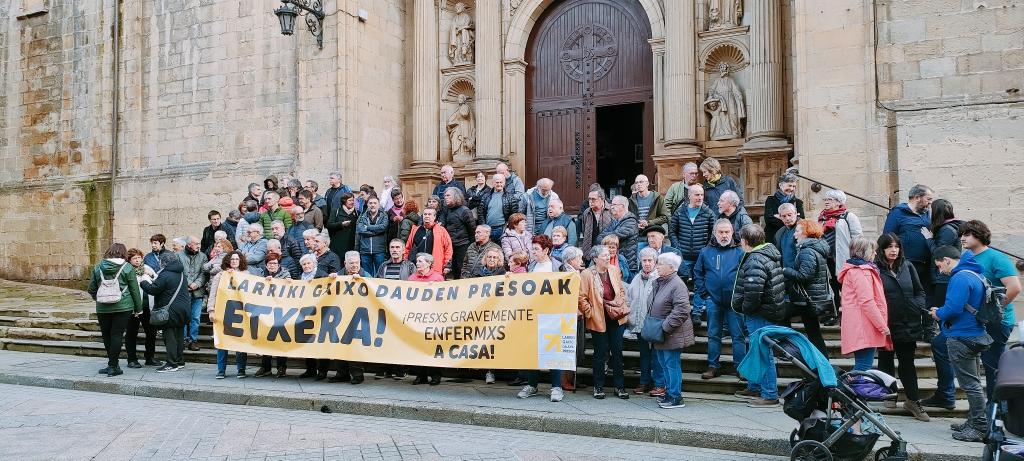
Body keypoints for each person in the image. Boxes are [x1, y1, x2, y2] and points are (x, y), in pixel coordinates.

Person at [929, 246, 991, 442]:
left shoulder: (959, 277)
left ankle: (979, 427)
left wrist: (937, 313)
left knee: (970, 384)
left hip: (962, 337)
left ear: (947, 259)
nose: (940, 271)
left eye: (939, 266)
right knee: (974, 382)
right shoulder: (974, 274)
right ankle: (974, 421)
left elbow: (954, 308)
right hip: (976, 334)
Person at [958, 220, 1020, 400]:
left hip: (997, 322)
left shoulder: (996, 258)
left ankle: (995, 415)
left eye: (967, 234)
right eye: (962, 234)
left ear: (979, 235)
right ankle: (982, 416)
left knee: (993, 369)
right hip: (978, 321)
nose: (962, 238)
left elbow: (1014, 287)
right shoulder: (967, 257)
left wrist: (994, 310)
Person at [874, 233, 930, 421]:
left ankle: (913, 400)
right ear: (881, 249)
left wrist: (916, 305)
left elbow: (919, 290)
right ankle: (890, 394)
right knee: (885, 360)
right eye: (889, 246)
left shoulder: (907, 266)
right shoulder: (875, 270)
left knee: (907, 362)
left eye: (896, 246)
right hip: (887, 323)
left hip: (909, 321)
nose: (893, 250)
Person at [732, 224, 786, 407]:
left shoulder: (756, 259)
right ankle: (755, 386)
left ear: (746, 241)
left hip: (760, 313)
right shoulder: (767, 253)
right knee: (757, 350)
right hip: (766, 311)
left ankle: (770, 394)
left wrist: (745, 308)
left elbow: (754, 292)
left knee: (763, 352)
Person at [694, 219, 745, 380]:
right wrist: (705, 295)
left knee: (738, 336)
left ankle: (741, 367)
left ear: (732, 233)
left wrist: (741, 295)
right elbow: (697, 273)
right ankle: (713, 366)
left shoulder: (741, 252)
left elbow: (746, 273)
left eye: (727, 232)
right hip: (713, 301)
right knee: (713, 334)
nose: (724, 235)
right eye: (721, 232)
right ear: (714, 234)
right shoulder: (705, 252)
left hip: (734, 302)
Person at [517, 235, 566, 401]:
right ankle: (532, 385)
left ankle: (556, 387)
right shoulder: (531, 267)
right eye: (533, 249)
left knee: (553, 350)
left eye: (536, 249)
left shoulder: (559, 267)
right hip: (533, 315)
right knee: (533, 351)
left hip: (553, 316)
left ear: (546, 250)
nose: (533, 252)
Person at [579, 245, 630, 400]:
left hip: (615, 316)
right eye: (604, 255)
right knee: (600, 353)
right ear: (595, 258)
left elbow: (620, 289)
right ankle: (598, 386)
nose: (608, 257)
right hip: (598, 318)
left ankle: (619, 386)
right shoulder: (587, 274)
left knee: (618, 351)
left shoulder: (614, 269)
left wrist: (620, 301)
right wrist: (591, 313)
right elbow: (581, 297)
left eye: (608, 255)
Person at [87, 243, 144, 377]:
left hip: (103, 308)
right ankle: (113, 366)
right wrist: (138, 309)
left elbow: (91, 289)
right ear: (123, 253)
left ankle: (112, 364)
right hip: (123, 306)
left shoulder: (98, 266)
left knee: (107, 336)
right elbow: (134, 290)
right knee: (117, 335)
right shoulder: (127, 267)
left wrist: (101, 298)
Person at [649, 252, 695, 409]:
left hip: (671, 333)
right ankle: (670, 393)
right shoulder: (661, 282)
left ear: (671, 267)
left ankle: (676, 396)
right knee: (664, 363)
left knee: (671, 364)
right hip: (662, 334)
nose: (657, 266)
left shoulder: (677, 284)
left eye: (660, 263)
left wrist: (665, 326)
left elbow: (682, 309)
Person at [838, 237, 890, 372]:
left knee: (863, 364)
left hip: (861, 324)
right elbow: (867, 301)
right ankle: (847, 392)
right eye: (873, 250)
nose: (876, 254)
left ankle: (850, 391)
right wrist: (882, 326)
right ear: (865, 252)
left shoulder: (856, 270)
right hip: (864, 326)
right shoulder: (861, 271)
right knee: (863, 365)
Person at [781, 219, 831, 356]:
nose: (794, 234)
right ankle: (822, 364)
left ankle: (790, 349)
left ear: (806, 233)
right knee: (814, 333)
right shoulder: (815, 247)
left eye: (797, 231)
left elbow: (804, 276)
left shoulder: (807, 251)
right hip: (811, 297)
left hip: (807, 298)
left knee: (780, 315)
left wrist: (785, 270)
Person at [140, 251, 191, 373]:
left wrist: (143, 282)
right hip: (183, 309)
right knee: (178, 336)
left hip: (170, 310)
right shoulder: (181, 273)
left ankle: (171, 363)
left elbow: (153, 289)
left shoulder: (166, 274)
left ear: (164, 262)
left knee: (170, 337)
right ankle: (179, 360)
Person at [626, 247, 664, 396]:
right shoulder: (636, 278)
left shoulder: (659, 278)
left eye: (650, 260)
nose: (647, 263)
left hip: (654, 324)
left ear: (655, 262)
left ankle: (660, 383)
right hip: (639, 324)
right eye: (644, 260)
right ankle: (644, 382)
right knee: (644, 355)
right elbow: (630, 299)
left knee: (657, 355)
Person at [206, 250, 250, 379]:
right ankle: (221, 370)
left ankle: (241, 369)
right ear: (228, 261)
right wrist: (211, 310)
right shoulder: (220, 275)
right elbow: (213, 294)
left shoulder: (246, 275)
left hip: (240, 312)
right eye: (232, 259)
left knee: (241, 342)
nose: (234, 261)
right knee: (222, 342)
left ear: (240, 261)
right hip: (223, 312)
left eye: (237, 259)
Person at [883, 184, 935, 292]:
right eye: (928, 199)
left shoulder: (927, 214)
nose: (930, 202)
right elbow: (887, 237)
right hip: (907, 264)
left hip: (927, 264)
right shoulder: (897, 212)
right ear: (917, 198)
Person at [251, 253, 291, 378]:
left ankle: (281, 367)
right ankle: (266, 367)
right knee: (265, 339)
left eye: (274, 263)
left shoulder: (286, 274)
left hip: (281, 312)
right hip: (266, 311)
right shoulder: (261, 274)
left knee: (280, 340)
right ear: (266, 265)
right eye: (269, 263)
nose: (272, 265)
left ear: (278, 264)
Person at [818, 189, 862, 304]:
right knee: (831, 285)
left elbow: (857, 238)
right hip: (827, 258)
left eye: (830, 200)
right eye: (825, 199)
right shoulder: (822, 218)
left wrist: (854, 257)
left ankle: (847, 312)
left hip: (843, 258)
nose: (826, 202)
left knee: (845, 285)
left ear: (839, 202)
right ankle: (834, 311)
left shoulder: (848, 216)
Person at [408, 253, 445, 385]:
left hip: (433, 318)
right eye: (417, 261)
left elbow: (444, 298)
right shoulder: (412, 278)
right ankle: (421, 375)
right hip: (417, 318)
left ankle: (435, 375)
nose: (417, 263)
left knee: (432, 347)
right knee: (419, 347)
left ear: (429, 263)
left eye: (420, 261)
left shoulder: (438, 278)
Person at [295, 254, 332, 380]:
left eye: (308, 263)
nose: (306, 266)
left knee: (321, 341)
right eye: (304, 264)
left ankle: (322, 371)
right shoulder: (300, 277)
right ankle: (310, 369)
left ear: (314, 264)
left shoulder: (323, 275)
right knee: (308, 341)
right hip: (306, 313)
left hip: (322, 313)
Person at [922, 199, 963, 312]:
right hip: (943, 276)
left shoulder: (947, 230)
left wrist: (929, 239)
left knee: (940, 310)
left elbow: (939, 253)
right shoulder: (948, 227)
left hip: (943, 277)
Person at [669, 184, 715, 279]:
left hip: (701, 257)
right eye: (697, 195)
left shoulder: (708, 213)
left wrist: (706, 249)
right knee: (684, 284)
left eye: (702, 195)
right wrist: (677, 247)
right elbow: (672, 231)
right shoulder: (680, 211)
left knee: (700, 284)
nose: (700, 197)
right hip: (684, 258)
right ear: (689, 196)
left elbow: (714, 233)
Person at [125, 248, 160, 368]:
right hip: (133, 307)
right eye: (134, 258)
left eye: (139, 257)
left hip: (147, 307)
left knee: (151, 332)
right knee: (131, 333)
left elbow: (157, 281)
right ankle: (132, 359)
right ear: (129, 260)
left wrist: (151, 274)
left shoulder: (147, 268)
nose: (137, 260)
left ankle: (150, 357)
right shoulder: (127, 270)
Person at [404, 207, 453, 276]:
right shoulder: (415, 230)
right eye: (425, 214)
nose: (427, 216)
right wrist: (405, 261)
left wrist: (447, 265)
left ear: (434, 217)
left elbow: (448, 249)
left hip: (435, 268)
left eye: (429, 214)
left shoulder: (442, 230)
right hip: (417, 268)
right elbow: (408, 247)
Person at [597, 195, 640, 270]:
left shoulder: (631, 222)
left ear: (622, 206)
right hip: (615, 264)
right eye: (611, 204)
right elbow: (599, 237)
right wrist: (605, 237)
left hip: (627, 266)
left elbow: (613, 237)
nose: (611, 207)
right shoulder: (615, 222)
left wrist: (606, 237)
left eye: (614, 205)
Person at [181, 236, 209, 352]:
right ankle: (181, 340)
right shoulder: (178, 256)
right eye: (196, 244)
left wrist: (197, 284)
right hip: (183, 292)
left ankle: (193, 340)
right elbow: (178, 272)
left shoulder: (203, 256)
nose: (199, 245)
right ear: (189, 245)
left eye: (199, 243)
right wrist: (187, 284)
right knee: (183, 317)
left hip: (198, 292)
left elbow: (204, 273)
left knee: (195, 317)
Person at [476, 174, 520, 242]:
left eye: (501, 182)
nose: (499, 184)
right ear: (493, 183)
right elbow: (480, 212)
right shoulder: (486, 196)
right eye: (497, 182)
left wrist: (508, 227)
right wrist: (484, 226)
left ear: (504, 183)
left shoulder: (510, 197)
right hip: (488, 230)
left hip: (502, 229)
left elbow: (514, 215)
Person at [442, 188, 475, 279]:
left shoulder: (465, 210)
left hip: (462, 245)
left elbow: (472, 230)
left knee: (462, 270)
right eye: (445, 196)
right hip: (450, 245)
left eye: (448, 195)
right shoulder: (447, 210)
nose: (445, 198)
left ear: (456, 196)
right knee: (454, 271)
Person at [763, 172, 804, 241]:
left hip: (791, 237)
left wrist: (779, 216)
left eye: (794, 186)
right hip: (773, 237)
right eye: (789, 185)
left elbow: (801, 220)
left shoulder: (797, 202)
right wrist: (791, 219)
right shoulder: (770, 200)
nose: (792, 188)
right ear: (780, 185)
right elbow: (768, 219)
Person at [356, 196, 389, 274]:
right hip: (365, 251)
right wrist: (376, 231)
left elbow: (383, 227)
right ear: (367, 204)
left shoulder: (384, 216)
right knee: (367, 275)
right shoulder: (362, 216)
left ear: (378, 205)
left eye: (375, 203)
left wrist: (367, 227)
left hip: (379, 250)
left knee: (380, 274)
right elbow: (360, 230)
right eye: (370, 203)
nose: (372, 205)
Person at [578, 188, 613, 260]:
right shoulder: (586, 212)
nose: (590, 201)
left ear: (602, 199)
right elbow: (584, 230)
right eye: (589, 199)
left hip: (606, 250)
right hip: (590, 250)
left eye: (593, 199)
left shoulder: (611, 211)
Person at [326, 192, 359, 257]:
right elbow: (329, 225)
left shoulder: (356, 212)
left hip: (350, 244)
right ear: (344, 201)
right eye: (349, 200)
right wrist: (341, 224)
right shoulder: (336, 211)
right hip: (337, 244)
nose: (352, 202)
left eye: (353, 200)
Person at [774, 203, 800, 270]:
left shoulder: (804, 228)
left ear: (795, 213)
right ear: (780, 217)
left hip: (800, 272)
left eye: (789, 215)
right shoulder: (779, 233)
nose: (787, 218)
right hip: (785, 273)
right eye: (784, 216)